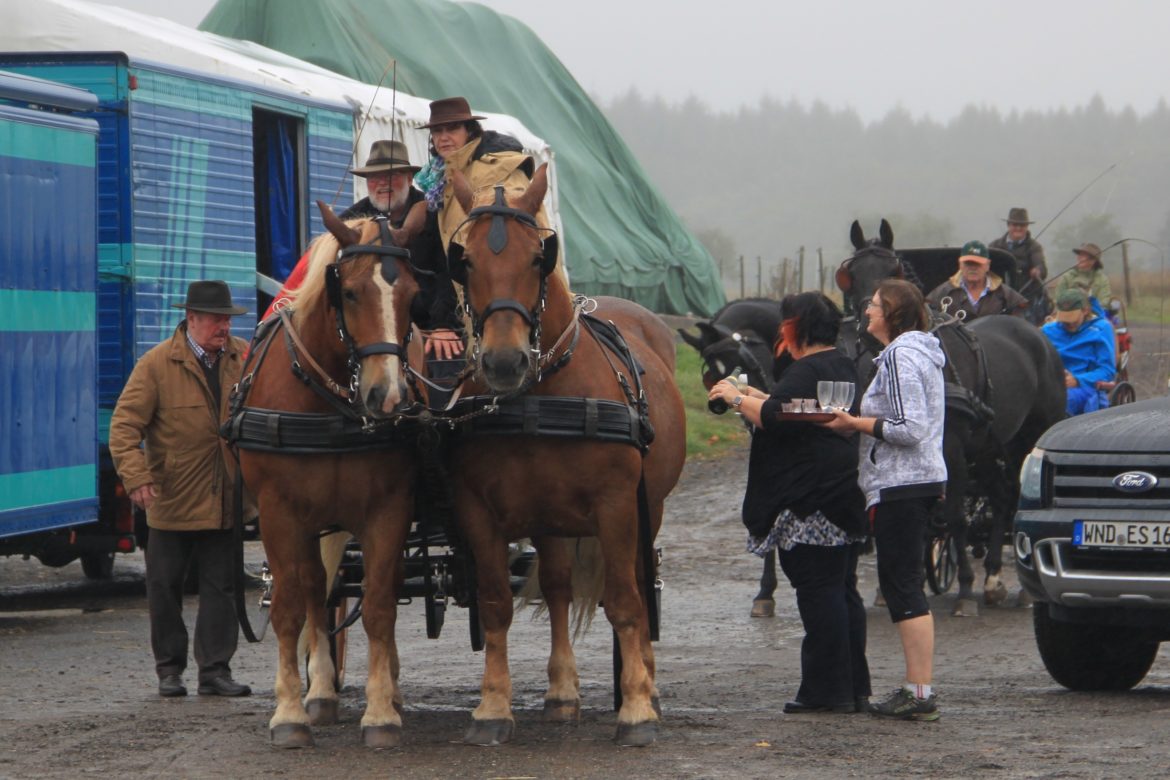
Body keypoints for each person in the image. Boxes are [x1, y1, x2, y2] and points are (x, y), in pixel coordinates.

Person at [707, 292, 870, 715]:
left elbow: (776, 417)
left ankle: (825, 691)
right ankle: (854, 687)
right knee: (842, 592)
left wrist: (735, 399)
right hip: (840, 494)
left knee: (818, 596)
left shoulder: (807, 368)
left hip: (808, 502)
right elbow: (798, 409)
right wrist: (754, 393)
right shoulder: (841, 365)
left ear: (794, 328)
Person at [109, 281, 253, 698]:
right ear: (191, 319)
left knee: (221, 588)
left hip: (226, 494)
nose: (223, 326)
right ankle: (169, 671)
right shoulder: (156, 365)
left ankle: (215, 672)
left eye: (227, 318)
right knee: (164, 586)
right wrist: (136, 478)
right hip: (172, 497)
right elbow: (123, 427)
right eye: (216, 318)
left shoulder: (243, 358)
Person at [821, 279, 946, 722]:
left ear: (891, 313)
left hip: (902, 484)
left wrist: (855, 423)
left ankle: (919, 692)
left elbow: (909, 428)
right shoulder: (916, 353)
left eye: (873, 306)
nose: (867, 312)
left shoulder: (899, 357)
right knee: (903, 583)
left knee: (902, 586)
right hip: (915, 482)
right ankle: (918, 688)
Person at [265, 140, 463, 360]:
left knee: (447, 372)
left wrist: (444, 326)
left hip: (429, 329)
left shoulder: (435, 217)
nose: (382, 184)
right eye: (374, 177)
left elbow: (449, 273)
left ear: (409, 178)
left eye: (391, 176)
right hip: (369, 333)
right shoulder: (350, 222)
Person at [413, 96, 565, 285]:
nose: (443, 137)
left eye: (452, 128)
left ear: (469, 131)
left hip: (503, 292)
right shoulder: (439, 180)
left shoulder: (498, 167)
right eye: (437, 131)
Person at [1042, 288, 1116, 416]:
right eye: (1065, 320)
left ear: (1085, 310)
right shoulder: (1048, 330)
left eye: (1073, 319)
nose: (1069, 324)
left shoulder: (1101, 329)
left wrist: (1077, 380)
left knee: (1062, 401)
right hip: (1053, 383)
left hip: (1085, 386)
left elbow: (1107, 370)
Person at [926, 240, 1028, 321]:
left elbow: (1019, 323)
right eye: (968, 264)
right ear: (960, 264)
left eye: (977, 264)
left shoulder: (1007, 295)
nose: (973, 268)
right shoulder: (942, 293)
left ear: (987, 265)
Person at [989, 207, 1048, 320]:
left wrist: (1037, 271)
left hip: (1025, 300)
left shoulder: (1034, 247)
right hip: (998, 299)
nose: (1018, 228)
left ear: (1027, 227)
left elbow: (1041, 267)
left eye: (1022, 225)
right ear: (1008, 225)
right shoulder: (994, 246)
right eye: (1015, 225)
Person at [1054, 242, 1113, 312]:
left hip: (1093, 318)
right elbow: (1058, 300)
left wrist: (1087, 312)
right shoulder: (1067, 277)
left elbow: (1103, 303)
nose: (1079, 257)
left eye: (1083, 255)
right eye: (1079, 254)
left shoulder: (1102, 280)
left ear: (1093, 261)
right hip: (1067, 317)